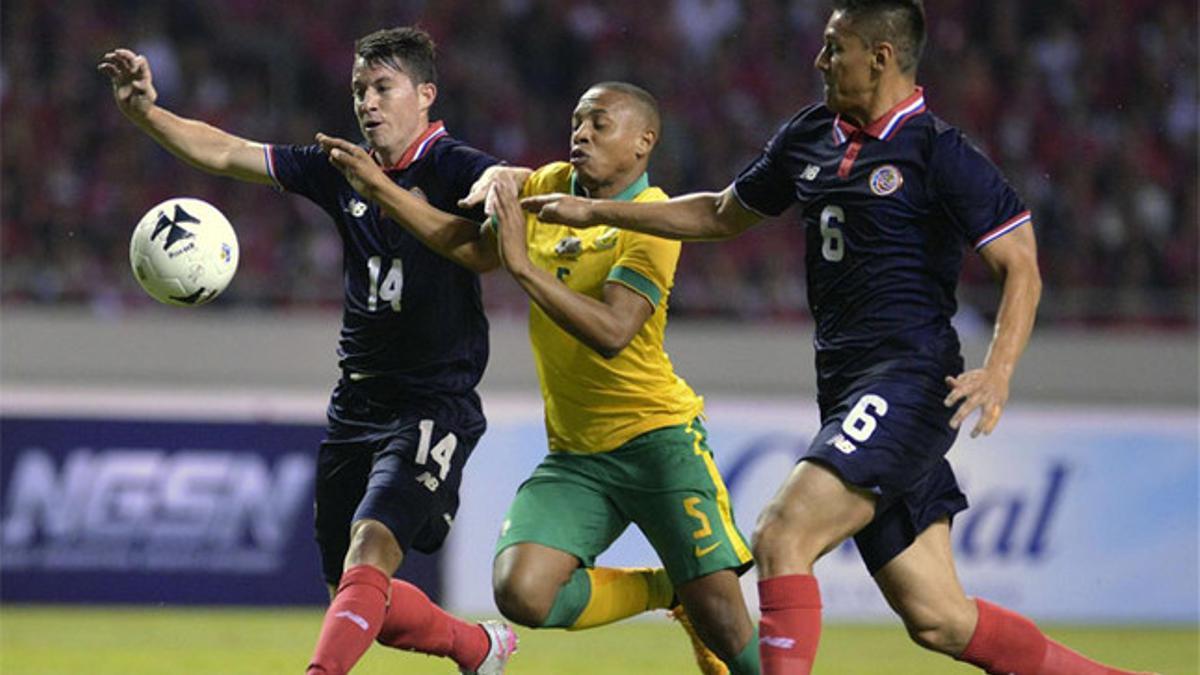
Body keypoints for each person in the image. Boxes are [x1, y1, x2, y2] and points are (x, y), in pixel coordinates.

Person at [521, 3, 1156, 675]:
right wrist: (595, 208)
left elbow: (1020, 262)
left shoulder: (938, 151)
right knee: (940, 617)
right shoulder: (808, 135)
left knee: (781, 533)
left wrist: (998, 370)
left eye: (834, 48)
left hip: (909, 381)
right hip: (848, 390)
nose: (820, 62)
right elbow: (717, 214)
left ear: (880, 56)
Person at [98, 27, 518, 675]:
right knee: (353, 597)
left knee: (370, 553)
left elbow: (497, 192)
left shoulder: (451, 164)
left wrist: (500, 185)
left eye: (383, 88)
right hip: (356, 403)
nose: (367, 103)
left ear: (425, 95)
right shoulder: (340, 168)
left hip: (432, 401)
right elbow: (228, 152)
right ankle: (478, 647)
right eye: (358, 90)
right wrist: (145, 112)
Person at [318, 82, 762, 675]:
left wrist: (524, 269)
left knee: (729, 627)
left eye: (599, 124)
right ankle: (667, 590)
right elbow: (485, 219)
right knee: (521, 590)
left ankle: (699, 599)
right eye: (577, 121)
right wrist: (492, 178)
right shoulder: (552, 184)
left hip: (659, 441)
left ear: (642, 142)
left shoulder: (653, 219)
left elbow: (612, 331)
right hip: (578, 455)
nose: (580, 133)